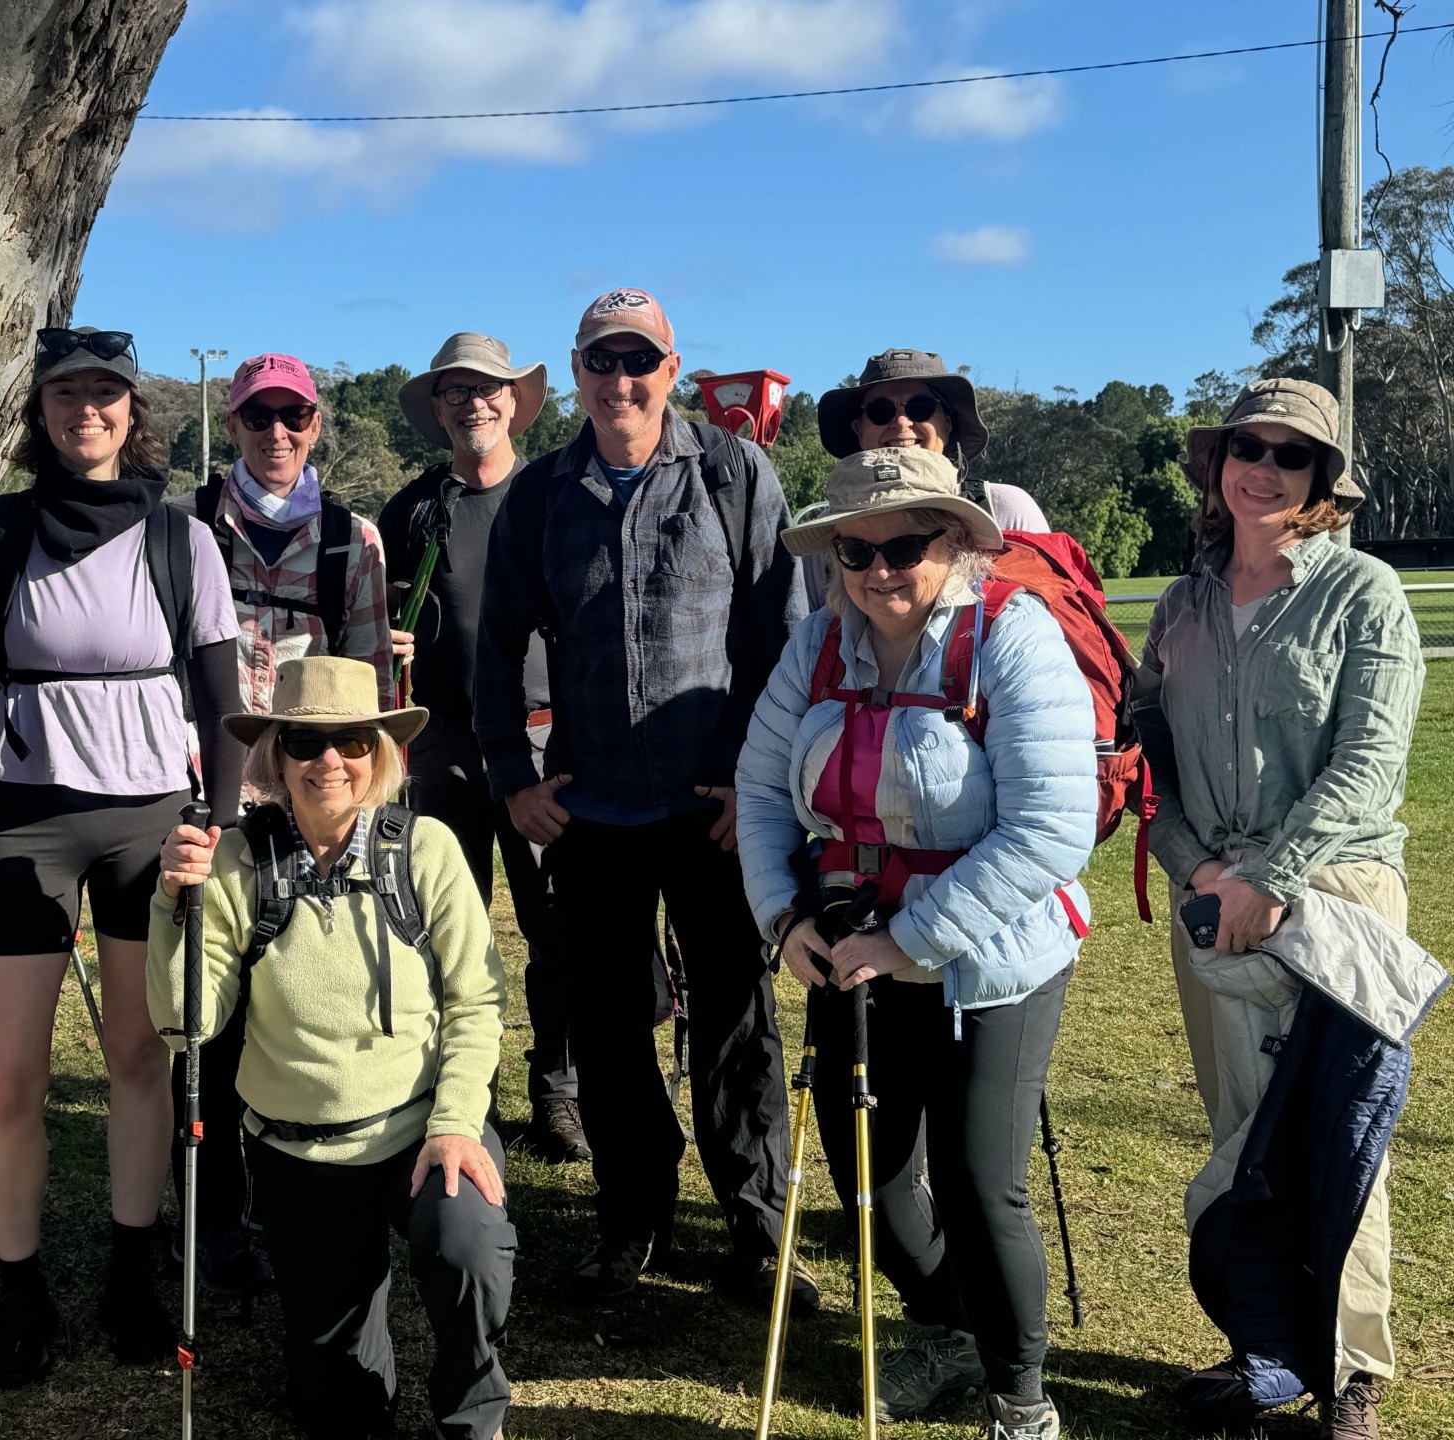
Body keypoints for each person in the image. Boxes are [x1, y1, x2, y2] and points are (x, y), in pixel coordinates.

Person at [0, 326, 243, 1385]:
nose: (85, 410)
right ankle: (21, 1289)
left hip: (150, 822)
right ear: (39, 410)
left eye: (107, 393)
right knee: (10, 1079)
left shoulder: (183, 539)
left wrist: (213, 825)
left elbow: (227, 700)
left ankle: (130, 1269)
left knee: (142, 1059)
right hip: (26, 821)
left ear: (135, 413)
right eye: (65, 393)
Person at [737, 446, 1098, 1440]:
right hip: (848, 949)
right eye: (855, 549)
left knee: (985, 1187)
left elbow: (1052, 827)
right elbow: (765, 792)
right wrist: (784, 917)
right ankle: (941, 1330)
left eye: (905, 544)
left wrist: (908, 942)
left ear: (958, 544)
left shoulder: (1011, 641)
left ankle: (1021, 1394)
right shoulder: (815, 645)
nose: (879, 569)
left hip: (996, 959)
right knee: (875, 1178)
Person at [476, 286, 808, 1306]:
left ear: (672, 368)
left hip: (710, 812)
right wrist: (514, 781)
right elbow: (501, 650)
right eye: (599, 362)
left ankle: (755, 1232)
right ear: (574, 374)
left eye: (639, 361)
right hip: (594, 815)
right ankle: (632, 1219)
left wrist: (756, 789)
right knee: (612, 1033)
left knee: (737, 1028)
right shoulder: (539, 495)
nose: (619, 382)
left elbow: (778, 639)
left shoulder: (731, 470)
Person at [1136, 380, 1424, 1439]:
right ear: (1218, 465)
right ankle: (1266, 1348)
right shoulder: (1181, 603)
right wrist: (1194, 867)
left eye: (1290, 455)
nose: (1263, 466)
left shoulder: (1363, 594)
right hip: (1210, 900)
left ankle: (1351, 1372)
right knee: (1243, 1139)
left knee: (1343, 1135)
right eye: (1246, 447)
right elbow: (1146, 756)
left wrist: (1270, 877)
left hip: (1337, 895)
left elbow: (1367, 767)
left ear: (1320, 482)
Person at [151, 656, 512, 1440]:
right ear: (275, 755)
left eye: (350, 740)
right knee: (335, 1403)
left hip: (422, 1129)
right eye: (306, 742)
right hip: (296, 1152)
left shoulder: (427, 850)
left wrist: (455, 1122)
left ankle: (472, 1418)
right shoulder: (239, 861)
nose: (329, 763)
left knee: (469, 1247)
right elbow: (187, 1025)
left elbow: (477, 1001)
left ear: (378, 750)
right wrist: (172, 907)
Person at [168, 351, 394, 1292]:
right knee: (209, 1015)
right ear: (234, 418)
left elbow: (374, 685)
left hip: (317, 805)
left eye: (292, 417)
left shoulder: (356, 541)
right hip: (209, 795)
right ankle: (214, 1216)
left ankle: (317, 1193)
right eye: (258, 417)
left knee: (312, 997)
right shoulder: (179, 528)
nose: (275, 435)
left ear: (315, 423)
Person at [382, 331, 587, 1163]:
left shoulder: (552, 498)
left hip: (539, 745)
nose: (473, 402)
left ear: (515, 401)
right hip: (439, 744)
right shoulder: (411, 511)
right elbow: (375, 622)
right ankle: (464, 1094)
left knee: (556, 928)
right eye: (455, 390)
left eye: (487, 388)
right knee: (443, 928)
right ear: (437, 408)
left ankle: (560, 1093)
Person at [804, 348, 1048, 606]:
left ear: (947, 425)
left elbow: (1049, 614)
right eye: (880, 411)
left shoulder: (1005, 509)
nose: (900, 422)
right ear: (859, 431)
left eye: (921, 408)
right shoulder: (830, 529)